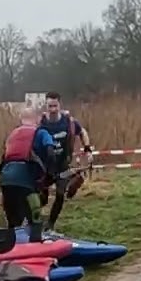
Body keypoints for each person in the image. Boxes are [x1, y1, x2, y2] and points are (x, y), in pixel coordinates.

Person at [37, 91, 92, 232]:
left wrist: (87, 149)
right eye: (50, 106)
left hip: (62, 165)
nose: (53, 109)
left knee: (60, 195)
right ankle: (34, 221)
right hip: (45, 166)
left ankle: (50, 224)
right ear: (46, 106)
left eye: (55, 106)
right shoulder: (40, 123)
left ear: (60, 105)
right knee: (41, 198)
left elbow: (82, 132)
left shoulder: (69, 122)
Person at [0, 105, 55, 239]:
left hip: (6, 181)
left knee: (13, 222)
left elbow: (4, 157)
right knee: (35, 218)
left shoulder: (13, 134)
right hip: (26, 182)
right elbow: (50, 152)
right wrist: (50, 175)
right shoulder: (42, 132)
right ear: (37, 119)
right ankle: (35, 248)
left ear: (21, 119)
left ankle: (11, 247)